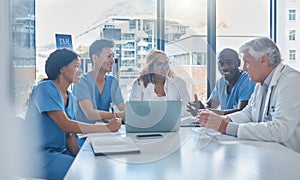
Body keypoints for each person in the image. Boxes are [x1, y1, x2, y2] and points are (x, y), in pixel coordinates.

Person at [19, 49, 122, 179]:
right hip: (38, 157)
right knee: (86, 171)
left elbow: (70, 136)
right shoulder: (45, 88)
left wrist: (81, 156)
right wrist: (106, 128)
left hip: (60, 152)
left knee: (97, 163)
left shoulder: (71, 98)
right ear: (62, 69)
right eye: (76, 66)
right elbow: (65, 125)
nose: (80, 71)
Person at [197, 37, 300, 153]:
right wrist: (224, 120)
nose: (244, 68)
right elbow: (249, 113)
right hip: (270, 153)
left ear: (263, 60)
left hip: (291, 159)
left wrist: (227, 127)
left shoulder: (291, 81)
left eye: (247, 62)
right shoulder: (261, 84)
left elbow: (280, 130)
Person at [187, 48, 256, 116]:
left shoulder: (248, 79)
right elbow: (210, 105)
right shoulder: (221, 82)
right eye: (221, 63)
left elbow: (241, 112)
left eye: (229, 63)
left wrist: (206, 111)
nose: (224, 67)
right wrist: (199, 107)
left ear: (238, 63)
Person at [72, 39, 125, 125]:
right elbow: (90, 114)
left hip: (104, 131)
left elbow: (123, 107)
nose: (112, 61)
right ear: (95, 58)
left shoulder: (113, 82)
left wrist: (131, 113)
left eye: (113, 56)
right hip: (84, 134)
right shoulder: (82, 82)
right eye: (108, 56)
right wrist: (119, 115)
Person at [129, 49, 190, 117]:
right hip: (147, 124)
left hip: (173, 123)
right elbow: (134, 109)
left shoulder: (179, 83)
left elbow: (187, 108)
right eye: (159, 64)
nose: (164, 68)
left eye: (166, 63)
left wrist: (170, 114)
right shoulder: (139, 84)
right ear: (151, 67)